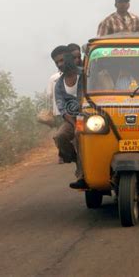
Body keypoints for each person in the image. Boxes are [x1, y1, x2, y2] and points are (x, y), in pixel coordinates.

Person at [54, 46, 87, 189]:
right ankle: (78, 161)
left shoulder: (85, 75)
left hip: (89, 116)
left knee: (78, 135)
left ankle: (82, 175)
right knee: (60, 137)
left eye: (63, 60)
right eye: (58, 63)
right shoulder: (59, 84)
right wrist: (73, 123)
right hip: (72, 119)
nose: (61, 64)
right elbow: (62, 108)